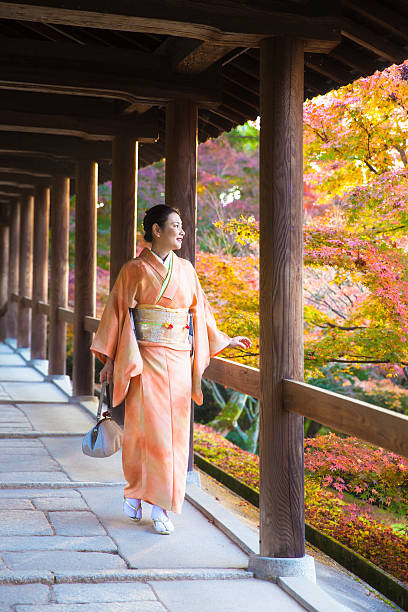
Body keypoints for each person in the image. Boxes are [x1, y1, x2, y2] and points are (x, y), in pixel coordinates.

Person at [91, 205, 251, 535]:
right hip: (144, 359)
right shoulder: (133, 270)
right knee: (142, 432)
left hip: (178, 360)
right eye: (175, 226)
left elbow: (201, 312)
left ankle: (163, 506)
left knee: (175, 437)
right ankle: (137, 490)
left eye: (182, 226)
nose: (182, 232)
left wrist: (223, 339)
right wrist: (109, 361)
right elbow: (117, 315)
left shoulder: (187, 270)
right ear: (155, 231)